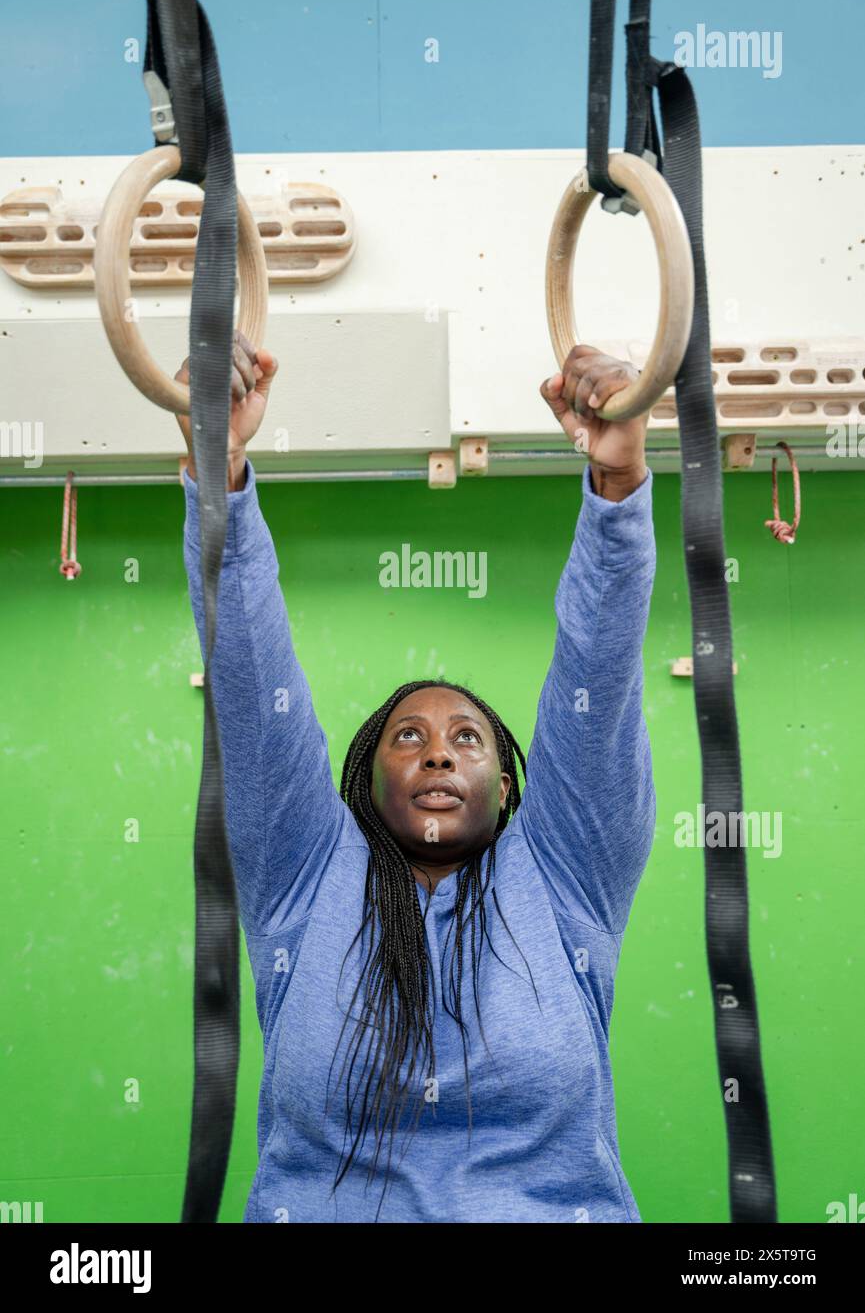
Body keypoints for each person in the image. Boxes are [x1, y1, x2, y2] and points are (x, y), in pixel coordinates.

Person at [175, 334, 656, 1223]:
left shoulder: (566, 879)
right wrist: (221, 467)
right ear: (363, 785)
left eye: (468, 738)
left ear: (509, 787)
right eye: (408, 737)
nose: (439, 753)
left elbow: (602, 673)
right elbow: (249, 676)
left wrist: (618, 488)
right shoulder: (304, 879)